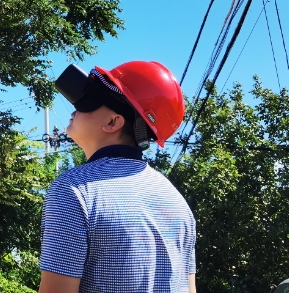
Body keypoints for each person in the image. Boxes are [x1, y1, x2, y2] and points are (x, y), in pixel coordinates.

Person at [38, 61, 196, 293]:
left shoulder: (75, 190)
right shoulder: (177, 202)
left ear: (113, 122)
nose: (74, 108)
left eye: (90, 100)